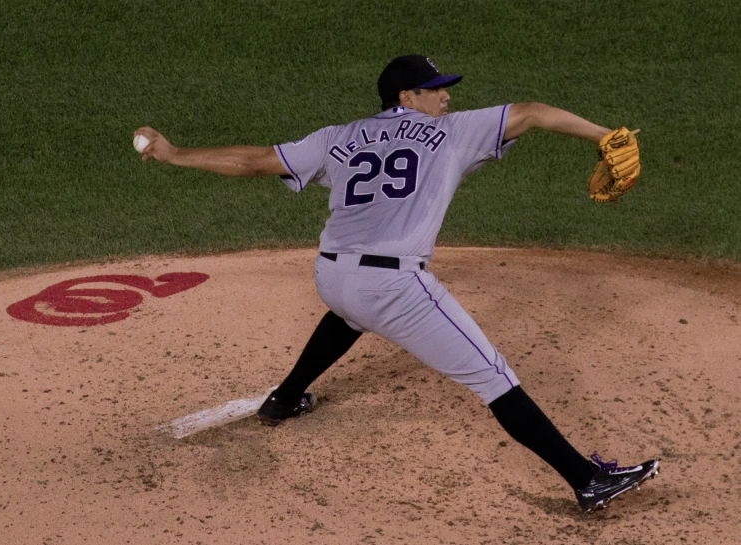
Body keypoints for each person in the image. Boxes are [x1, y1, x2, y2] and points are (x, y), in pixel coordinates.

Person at [134, 54, 659, 512]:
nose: (447, 98)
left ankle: (285, 399)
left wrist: (174, 153)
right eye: (436, 89)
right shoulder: (452, 132)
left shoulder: (338, 136)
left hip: (330, 274)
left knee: (348, 312)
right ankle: (588, 481)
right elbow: (534, 113)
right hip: (393, 287)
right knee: (493, 375)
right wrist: (604, 134)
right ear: (406, 96)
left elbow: (253, 161)